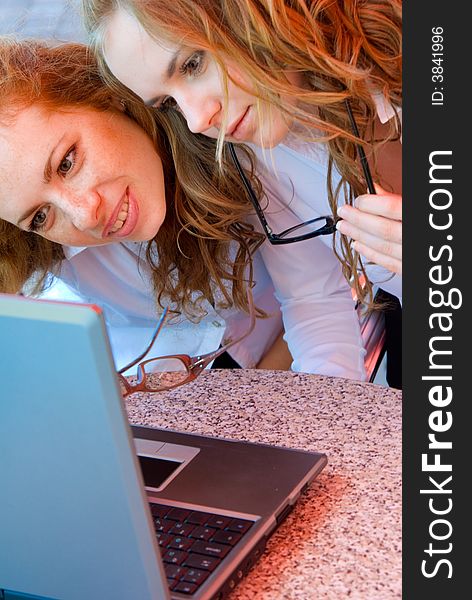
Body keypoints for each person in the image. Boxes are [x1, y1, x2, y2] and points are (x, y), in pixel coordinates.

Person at [0, 38, 366, 380]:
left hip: (281, 356)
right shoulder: (36, 253)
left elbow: (315, 298)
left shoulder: (231, 141)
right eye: (40, 217)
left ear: (107, 99)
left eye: (67, 162)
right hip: (155, 395)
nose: (86, 215)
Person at [81, 0, 402, 304]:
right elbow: (312, 293)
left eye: (193, 64)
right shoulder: (262, 155)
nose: (195, 120)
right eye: (169, 103)